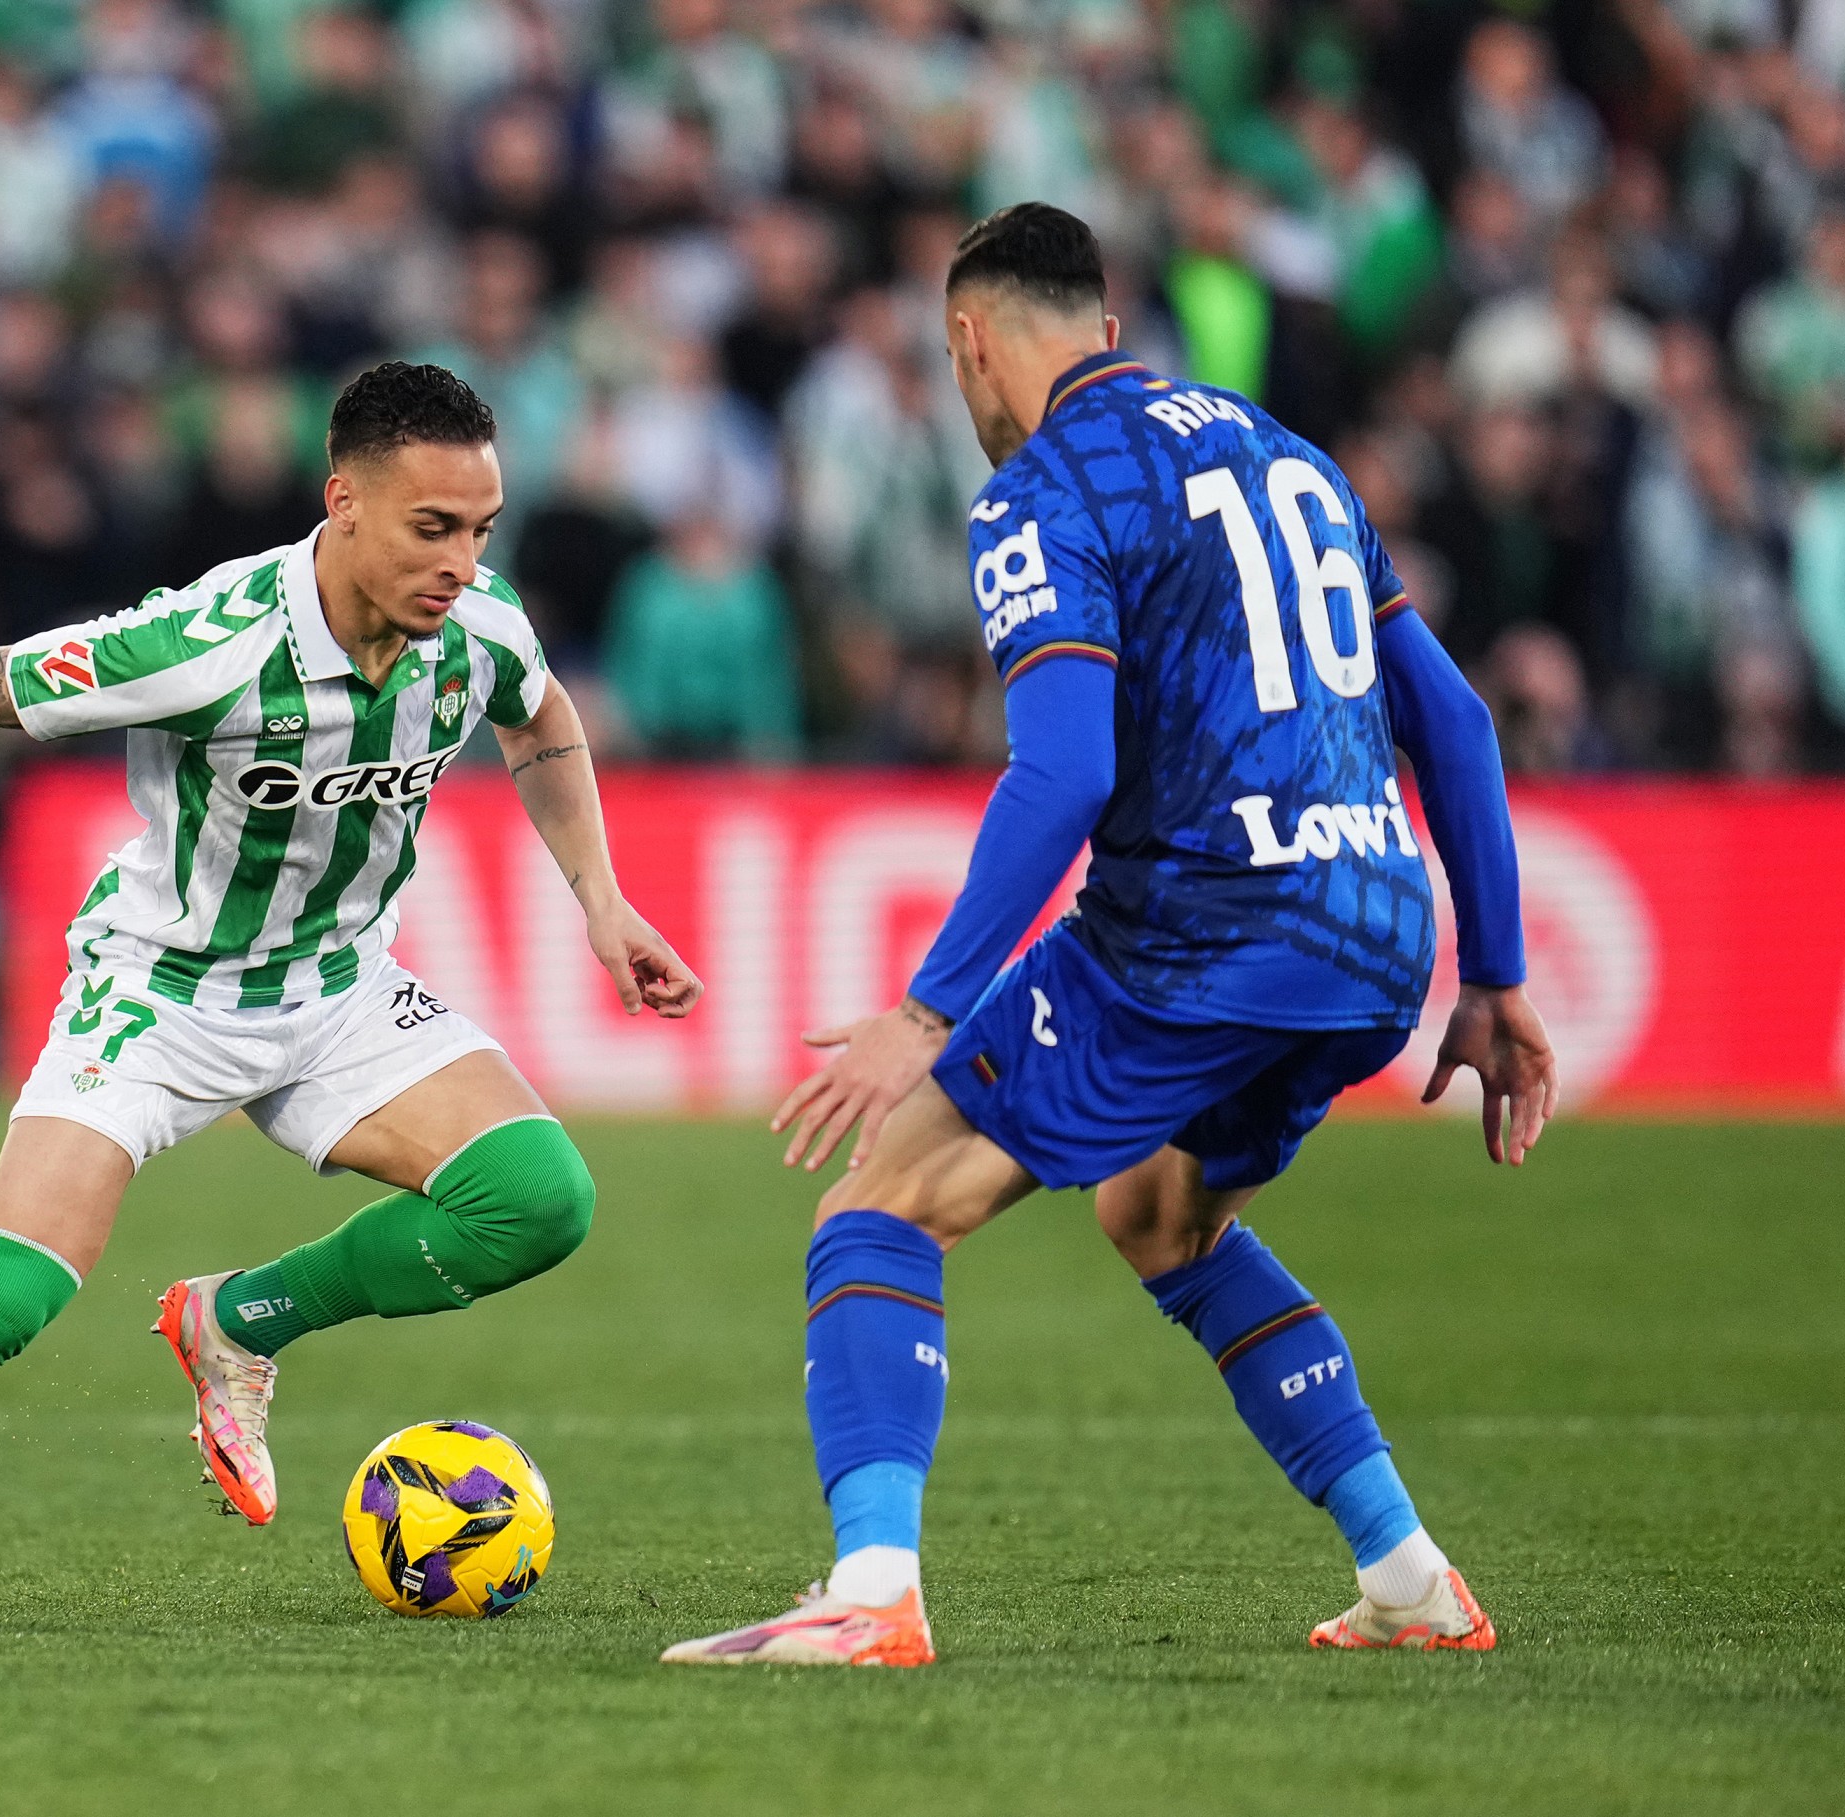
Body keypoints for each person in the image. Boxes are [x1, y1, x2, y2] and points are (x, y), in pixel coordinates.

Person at [0, 361, 702, 1620]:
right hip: (160, 998)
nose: (460, 562)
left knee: (537, 1198)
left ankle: (237, 1319)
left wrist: (601, 899)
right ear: (341, 501)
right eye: (431, 528)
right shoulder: (213, 640)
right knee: (5, 1299)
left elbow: (541, 716)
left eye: (480, 530)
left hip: (339, 992)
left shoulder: (479, 625)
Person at [660, 205, 1557, 1669]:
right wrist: (1496, 971)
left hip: (1200, 923)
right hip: (1374, 935)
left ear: (968, 340)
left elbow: (1063, 768)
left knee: (880, 1207)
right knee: (1160, 1214)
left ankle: (871, 1591)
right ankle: (1409, 1578)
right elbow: (1450, 719)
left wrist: (930, 1007)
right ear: (1108, 328)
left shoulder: (1043, 486)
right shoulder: (1293, 456)